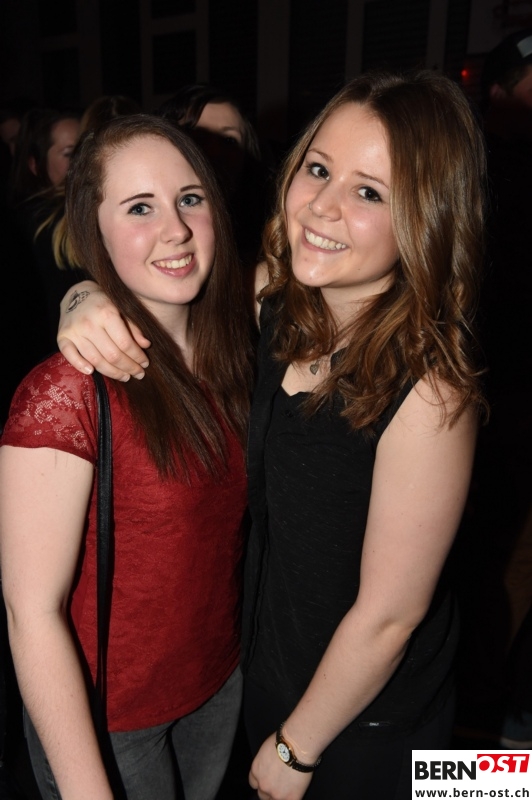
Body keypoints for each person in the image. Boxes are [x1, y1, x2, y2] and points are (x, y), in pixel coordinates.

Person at [54, 71, 487, 799]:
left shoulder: (431, 390)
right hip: (267, 672)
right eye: (318, 169)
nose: (321, 206)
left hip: (372, 724)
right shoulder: (274, 300)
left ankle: (504, 774)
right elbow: (166, 279)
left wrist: (297, 748)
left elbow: (390, 617)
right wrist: (81, 295)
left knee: (487, 786)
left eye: (369, 192)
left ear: (428, 217)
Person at [0, 114, 254, 800]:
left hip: (218, 683)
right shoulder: (66, 391)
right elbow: (31, 612)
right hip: (110, 720)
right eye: (140, 208)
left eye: (189, 198)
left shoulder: (239, 354)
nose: (175, 229)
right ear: (95, 229)